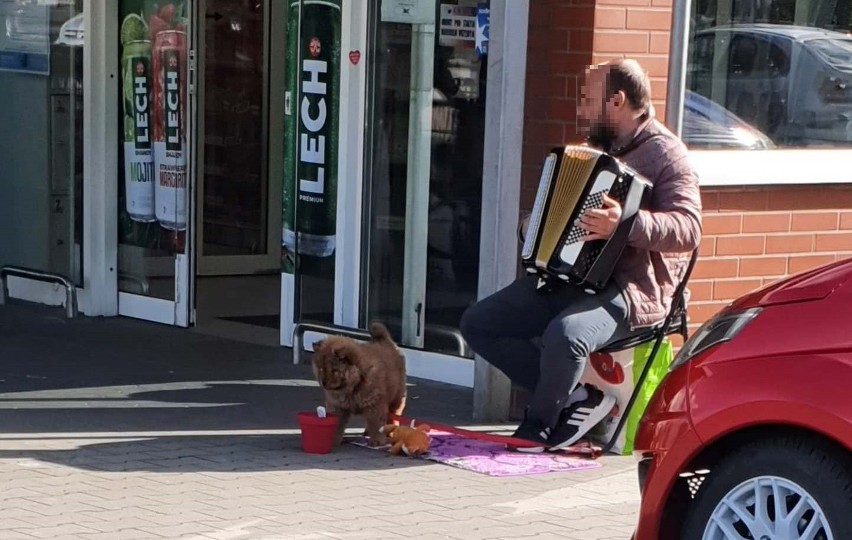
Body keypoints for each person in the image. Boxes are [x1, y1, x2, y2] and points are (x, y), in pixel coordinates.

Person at [459, 59, 702, 452]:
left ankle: (540, 424)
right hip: (575, 276)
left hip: (633, 289)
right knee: (479, 323)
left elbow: (689, 229)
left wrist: (625, 224)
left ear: (617, 101)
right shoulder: (596, 151)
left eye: (589, 99)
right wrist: (533, 226)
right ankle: (577, 399)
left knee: (566, 335)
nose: (581, 109)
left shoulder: (668, 156)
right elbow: (562, 211)